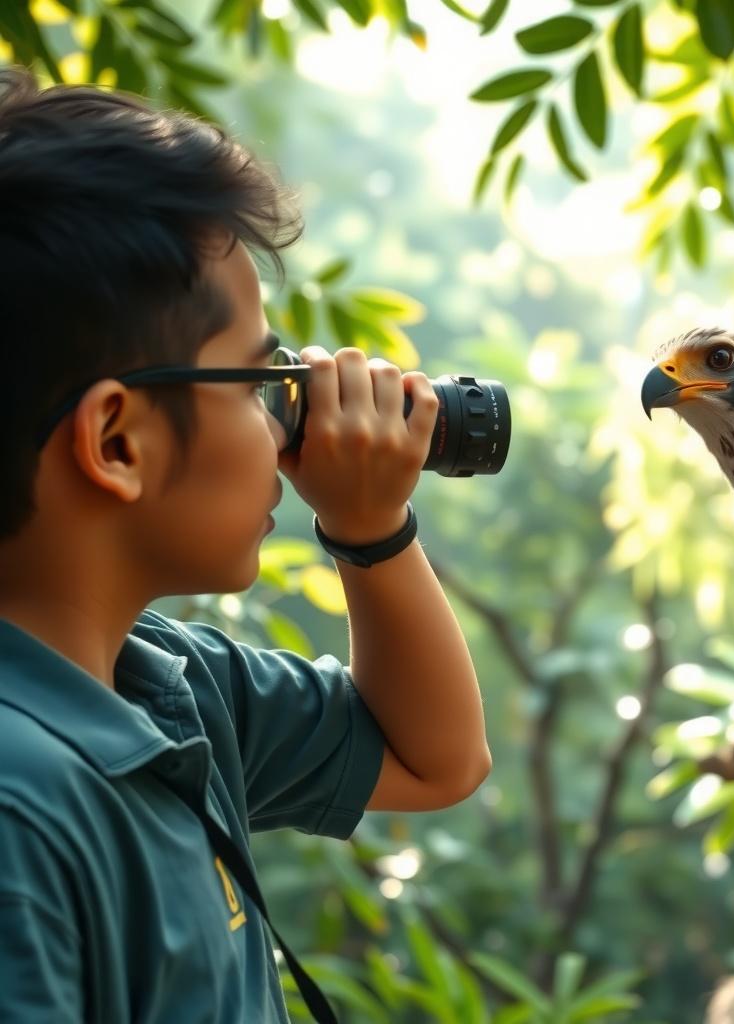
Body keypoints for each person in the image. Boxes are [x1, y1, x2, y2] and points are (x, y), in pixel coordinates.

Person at [0, 66, 491, 1022]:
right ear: (117, 443)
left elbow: (440, 760)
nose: (284, 426)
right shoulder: (21, 814)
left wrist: (371, 529)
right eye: (257, 379)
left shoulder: (166, 685)